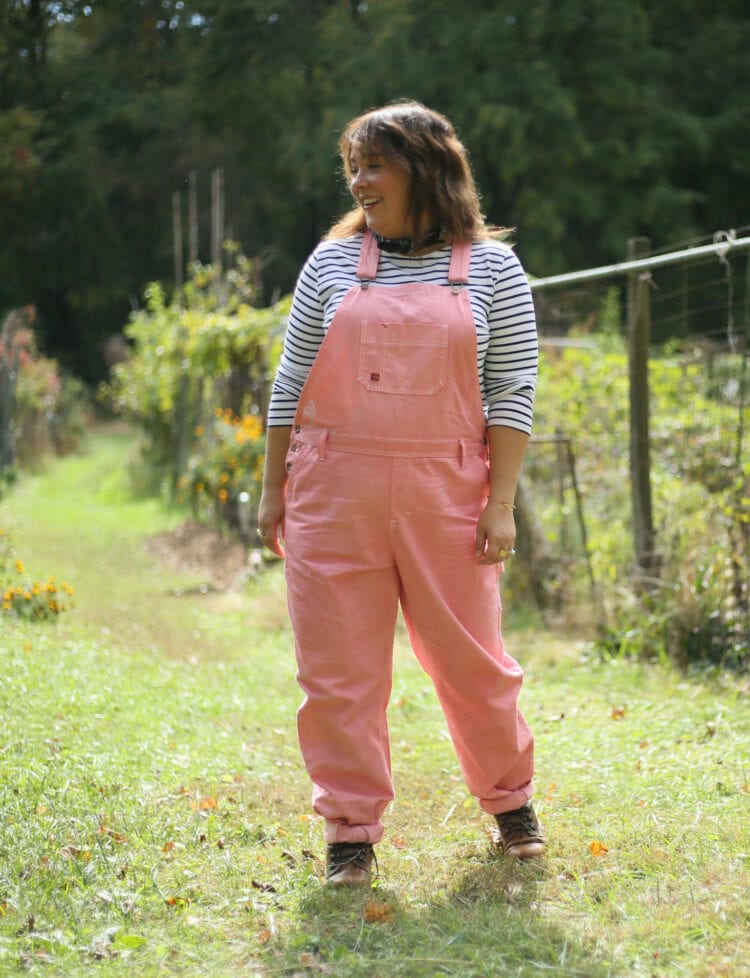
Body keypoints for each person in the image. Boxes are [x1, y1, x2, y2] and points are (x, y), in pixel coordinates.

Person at [257, 100, 545, 887]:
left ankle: (510, 801)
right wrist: (271, 490)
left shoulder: (493, 269)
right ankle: (350, 832)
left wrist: (501, 501)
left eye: (373, 163)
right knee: (337, 672)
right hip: (330, 487)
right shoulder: (329, 264)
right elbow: (290, 382)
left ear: (425, 167)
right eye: (351, 165)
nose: (358, 181)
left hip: (447, 491)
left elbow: (514, 390)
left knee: (473, 663)